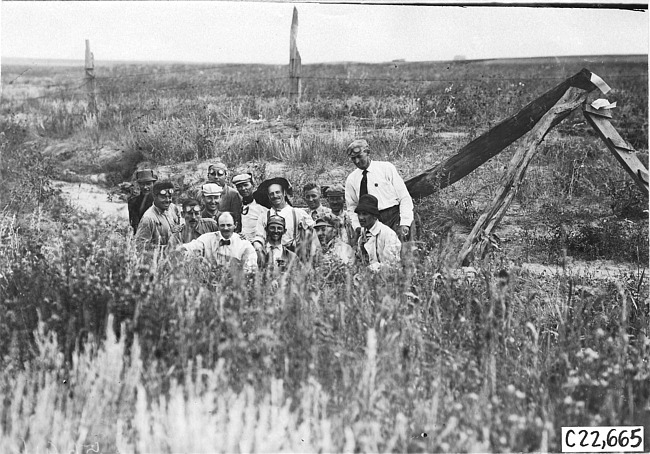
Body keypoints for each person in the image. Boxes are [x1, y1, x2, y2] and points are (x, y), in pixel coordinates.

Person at [345, 139, 414, 242]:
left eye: (359, 157)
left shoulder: (386, 168)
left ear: (368, 153)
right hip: (371, 221)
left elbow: (404, 197)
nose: (357, 161)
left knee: (401, 250)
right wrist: (358, 227)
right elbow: (352, 206)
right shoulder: (352, 179)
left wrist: (405, 223)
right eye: (353, 159)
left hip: (394, 217)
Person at [252, 177, 317, 261]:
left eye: (277, 192)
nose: (275, 196)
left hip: (292, 255)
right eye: (271, 194)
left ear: (284, 193)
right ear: (268, 196)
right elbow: (259, 236)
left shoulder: (297, 213)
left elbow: (314, 230)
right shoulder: (264, 216)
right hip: (271, 255)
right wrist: (259, 248)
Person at [179, 212, 258, 274]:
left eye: (229, 225)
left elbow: (251, 268)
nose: (226, 228)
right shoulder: (207, 239)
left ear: (235, 225)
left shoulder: (244, 244)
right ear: (217, 226)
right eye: (222, 225)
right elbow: (187, 248)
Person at [355, 194, 401, 272]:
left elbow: (391, 265)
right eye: (359, 214)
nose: (361, 218)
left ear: (375, 216)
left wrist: (368, 270)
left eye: (365, 214)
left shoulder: (388, 234)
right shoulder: (363, 234)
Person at [135, 180, 184, 249]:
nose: (167, 200)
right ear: (154, 197)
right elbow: (140, 246)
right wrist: (166, 248)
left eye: (169, 197)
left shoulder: (173, 208)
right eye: (163, 197)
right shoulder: (148, 218)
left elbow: (181, 222)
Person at [232, 172, 268, 242]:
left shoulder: (261, 208)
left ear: (253, 185)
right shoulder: (237, 206)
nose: (243, 188)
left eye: (246, 185)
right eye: (239, 186)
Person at [207, 163, 242, 230]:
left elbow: (236, 219)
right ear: (208, 176)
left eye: (220, 174)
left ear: (226, 176)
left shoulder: (233, 194)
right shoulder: (200, 193)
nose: (216, 177)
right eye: (213, 174)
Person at [128, 169, 157, 234]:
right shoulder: (133, 202)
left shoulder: (159, 202)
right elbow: (134, 224)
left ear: (153, 184)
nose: (145, 187)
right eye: (142, 184)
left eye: (148, 184)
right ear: (138, 184)